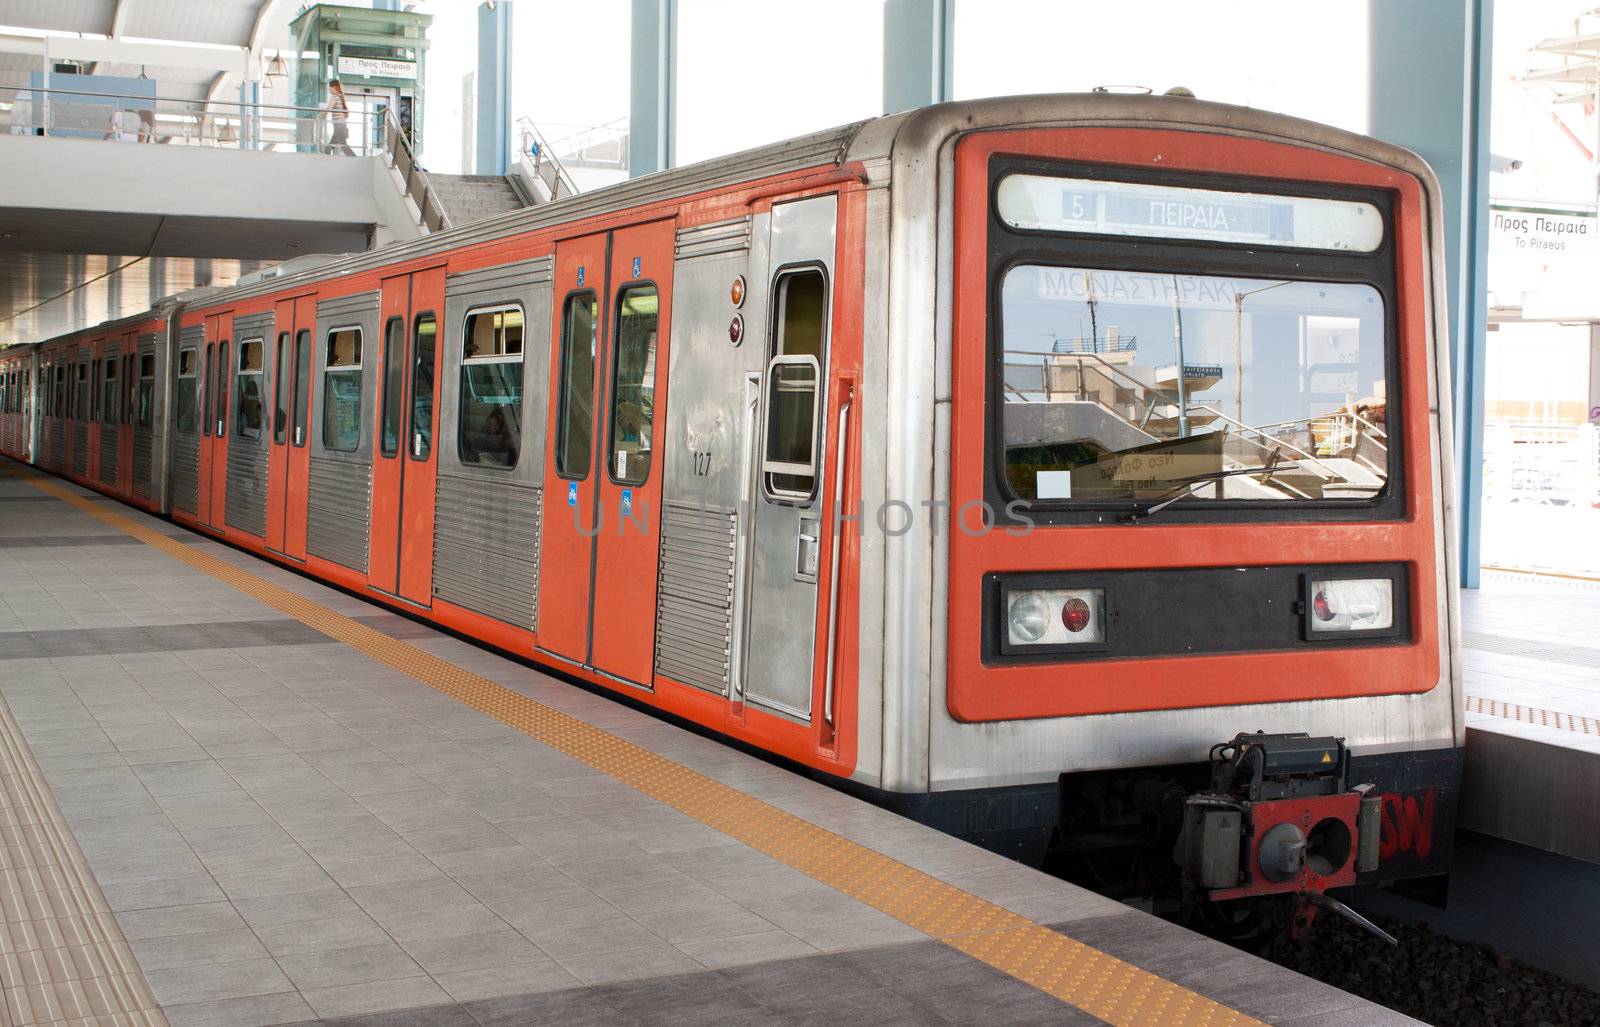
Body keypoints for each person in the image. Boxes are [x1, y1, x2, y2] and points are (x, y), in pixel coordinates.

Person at [326, 80, 353, 156]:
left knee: (342, 143)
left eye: (329, 87)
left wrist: (321, 115)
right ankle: (327, 150)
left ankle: (353, 157)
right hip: (341, 123)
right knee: (339, 141)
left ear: (334, 87)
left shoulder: (335, 96)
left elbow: (329, 108)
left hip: (338, 123)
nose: (328, 89)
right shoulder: (340, 96)